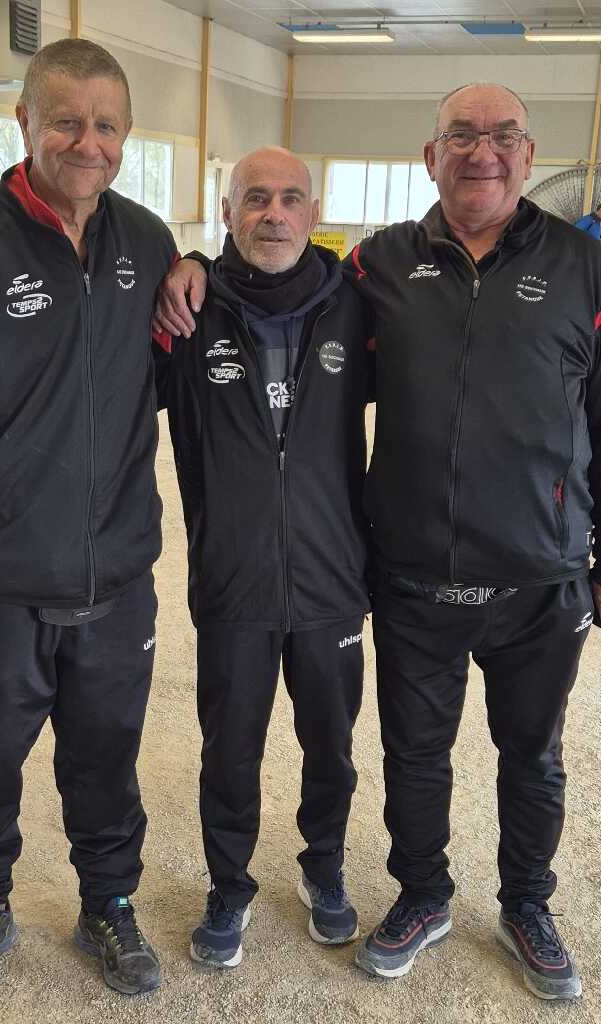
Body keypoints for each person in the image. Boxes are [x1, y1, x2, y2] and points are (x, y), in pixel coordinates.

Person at [154, 84, 601, 1002]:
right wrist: (190, 261)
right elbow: (275, 279)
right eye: (462, 135)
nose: (482, 152)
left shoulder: (586, 270)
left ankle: (528, 906)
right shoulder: (377, 268)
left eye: (502, 136)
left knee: (532, 756)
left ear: (528, 154)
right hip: (413, 575)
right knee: (414, 756)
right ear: (432, 156)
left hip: (540, 575)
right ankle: (422, 894)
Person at [0, 39, 176, 1001]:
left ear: (127, 134)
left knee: (108, 760)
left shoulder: (146, 243)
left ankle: (109, 902)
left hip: (116, 577)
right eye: (65, 122)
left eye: (106, 125)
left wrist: (199, 268)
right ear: (24, 123)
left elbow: (174, 368)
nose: (87, 143)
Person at [158, 147, 372, 968]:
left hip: (331, 582)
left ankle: (324, 869)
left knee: (332, 748)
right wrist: (183, 263)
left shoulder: (357, 308)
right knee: (230, 751)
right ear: (226, 214)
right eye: (254, 198)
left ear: (313, 214)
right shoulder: (187, 313)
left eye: (289, 199)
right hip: (232, 583)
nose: (273, 214)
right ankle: (229, 887)